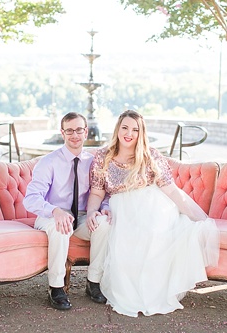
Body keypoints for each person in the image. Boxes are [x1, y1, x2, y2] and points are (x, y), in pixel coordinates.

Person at [86, 110, 220, 317]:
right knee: (127, 239)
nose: (129, 133)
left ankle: (152, 289)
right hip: (122, 208)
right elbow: (96, 191)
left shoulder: (149, 155)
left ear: (141, 133)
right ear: (118, 129)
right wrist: (93, 212)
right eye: (125, 127)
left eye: (135, 129)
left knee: (155, 232)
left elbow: (172, 191)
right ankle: (131, 290)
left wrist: (199, 217)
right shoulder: (103, 156)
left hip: (153, 205)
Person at [23, 112, 111, 310]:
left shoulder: (93, 162)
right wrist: (55, 211)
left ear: (86, 132)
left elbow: (103, 195)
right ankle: (56, 287)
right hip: (50, 215)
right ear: (62, 133)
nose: (75, 135)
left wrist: (103, 209)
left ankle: (94, 282)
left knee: (104, 224)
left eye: (79, 130)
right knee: (60, 226)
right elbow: (31, 199)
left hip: (80, 216)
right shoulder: (48, 162)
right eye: (69, 130)